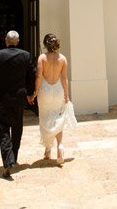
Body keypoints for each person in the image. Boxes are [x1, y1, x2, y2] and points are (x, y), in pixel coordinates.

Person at [0, 30, 36, 179]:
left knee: (4, 128)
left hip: (2, 96)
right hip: (19, 96)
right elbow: (32, 74)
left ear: (6, 41)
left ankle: (8, 160)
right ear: (18, 41)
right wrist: (30, 93)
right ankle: (13, 156)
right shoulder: (25, 55)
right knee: (17, 126)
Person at [28, 33, 77, 166]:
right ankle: (59, 146)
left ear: (45, 44)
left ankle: (48, 149)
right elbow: (64, 79)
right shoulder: (63, 58)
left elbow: (38, 76)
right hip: (58, 91)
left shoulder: (42, 57)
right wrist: (67, 94)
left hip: (45, 90)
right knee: (58, 118)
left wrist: (35, 92)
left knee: (45, 118)